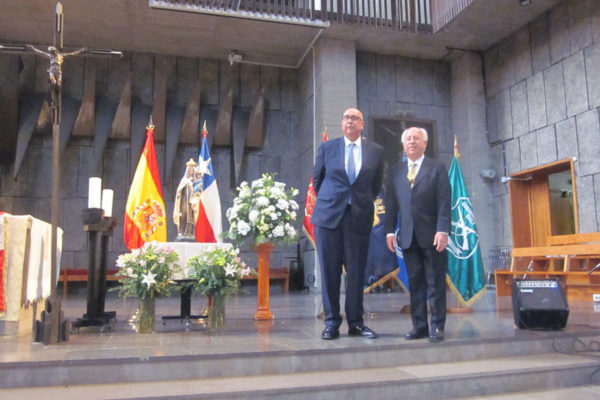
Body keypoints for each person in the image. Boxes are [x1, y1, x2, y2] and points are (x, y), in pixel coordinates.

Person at [311, 107, 384, 340]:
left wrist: (357, 202)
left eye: (355, 118)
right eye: (346, 118)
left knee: (356, 272)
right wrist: (336, 200)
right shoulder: (327, 147)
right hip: (328, 217)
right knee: (330, 271)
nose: (350, 121)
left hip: (359, 218)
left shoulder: (375, 151)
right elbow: (318, 181)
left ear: (362, 124)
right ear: (341, 123)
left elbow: (376, 185)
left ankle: (356, 323)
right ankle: (331, 323)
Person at [384, 127, 451, 342]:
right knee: (415, 285)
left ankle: (437, 327)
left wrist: (443, 230)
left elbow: (444, 201)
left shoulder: (437, 167)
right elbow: (391, 204)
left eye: (416, 139)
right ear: (403, 145)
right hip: (408, 237)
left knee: (435, 283)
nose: (412, 142)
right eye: (408, 139)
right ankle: (419, 326)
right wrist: (388, 231)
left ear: (424, 144)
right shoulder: (395, 171)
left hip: (433, 236)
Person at [173, 158, 197, 238]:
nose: (191, 172)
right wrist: (187, 184)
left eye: (193, 170)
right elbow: (179, 190)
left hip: (193, 202)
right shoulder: (184, 180)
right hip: (184, 200)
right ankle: (182, 231)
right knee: (184, 215)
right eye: (190, 170)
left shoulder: (196, 180)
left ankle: (190, 233)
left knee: (192, 217)